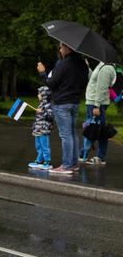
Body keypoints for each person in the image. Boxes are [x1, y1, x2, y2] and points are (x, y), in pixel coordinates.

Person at [38, 42, 88, 174]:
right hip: (75, 102)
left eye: (61, 47)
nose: (60, 49)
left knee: (65, 135)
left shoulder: (63, 64)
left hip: (62, 103)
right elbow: (84, 83)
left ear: (68, 47)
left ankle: (66, 165)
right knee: (72, 133)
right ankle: (74, 164)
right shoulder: (83, 64)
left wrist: (43, 73)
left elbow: (51, 83)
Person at [80, 59, 115, 165]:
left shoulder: (106, 68)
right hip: (92, 102)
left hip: (96, 103)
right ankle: (85, 153)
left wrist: (97, 106)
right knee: (95, 129)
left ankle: (99, 156)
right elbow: (93, 81)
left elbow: (102, 88)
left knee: (99, 130)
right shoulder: (101, 64)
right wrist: (88, 68)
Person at [29, 86, 54, 170]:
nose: (38, 95)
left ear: (44, 94)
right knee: (38, 146)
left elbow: (51, 117)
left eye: (39, 93)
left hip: (43, 129)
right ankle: (39, 160)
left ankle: (47, 161)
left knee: (44, 146)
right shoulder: (41, 104)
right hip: (37, 129)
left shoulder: (48, 105)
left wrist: (42, 112)